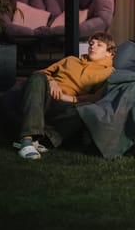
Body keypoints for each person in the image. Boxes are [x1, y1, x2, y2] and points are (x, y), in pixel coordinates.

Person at [16, 31, 117, 160]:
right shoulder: (71, 60)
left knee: (86, 110)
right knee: (37, 77)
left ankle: (40, 138)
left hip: (68, 106)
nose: (92, 46)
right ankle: (26, 141)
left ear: (109, 52)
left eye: (99, 45)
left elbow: (97, 97)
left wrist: (71, 98)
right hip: (46, 96)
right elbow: (40, 73)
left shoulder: (109, 72)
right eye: (91, 43)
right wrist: (51, 82)